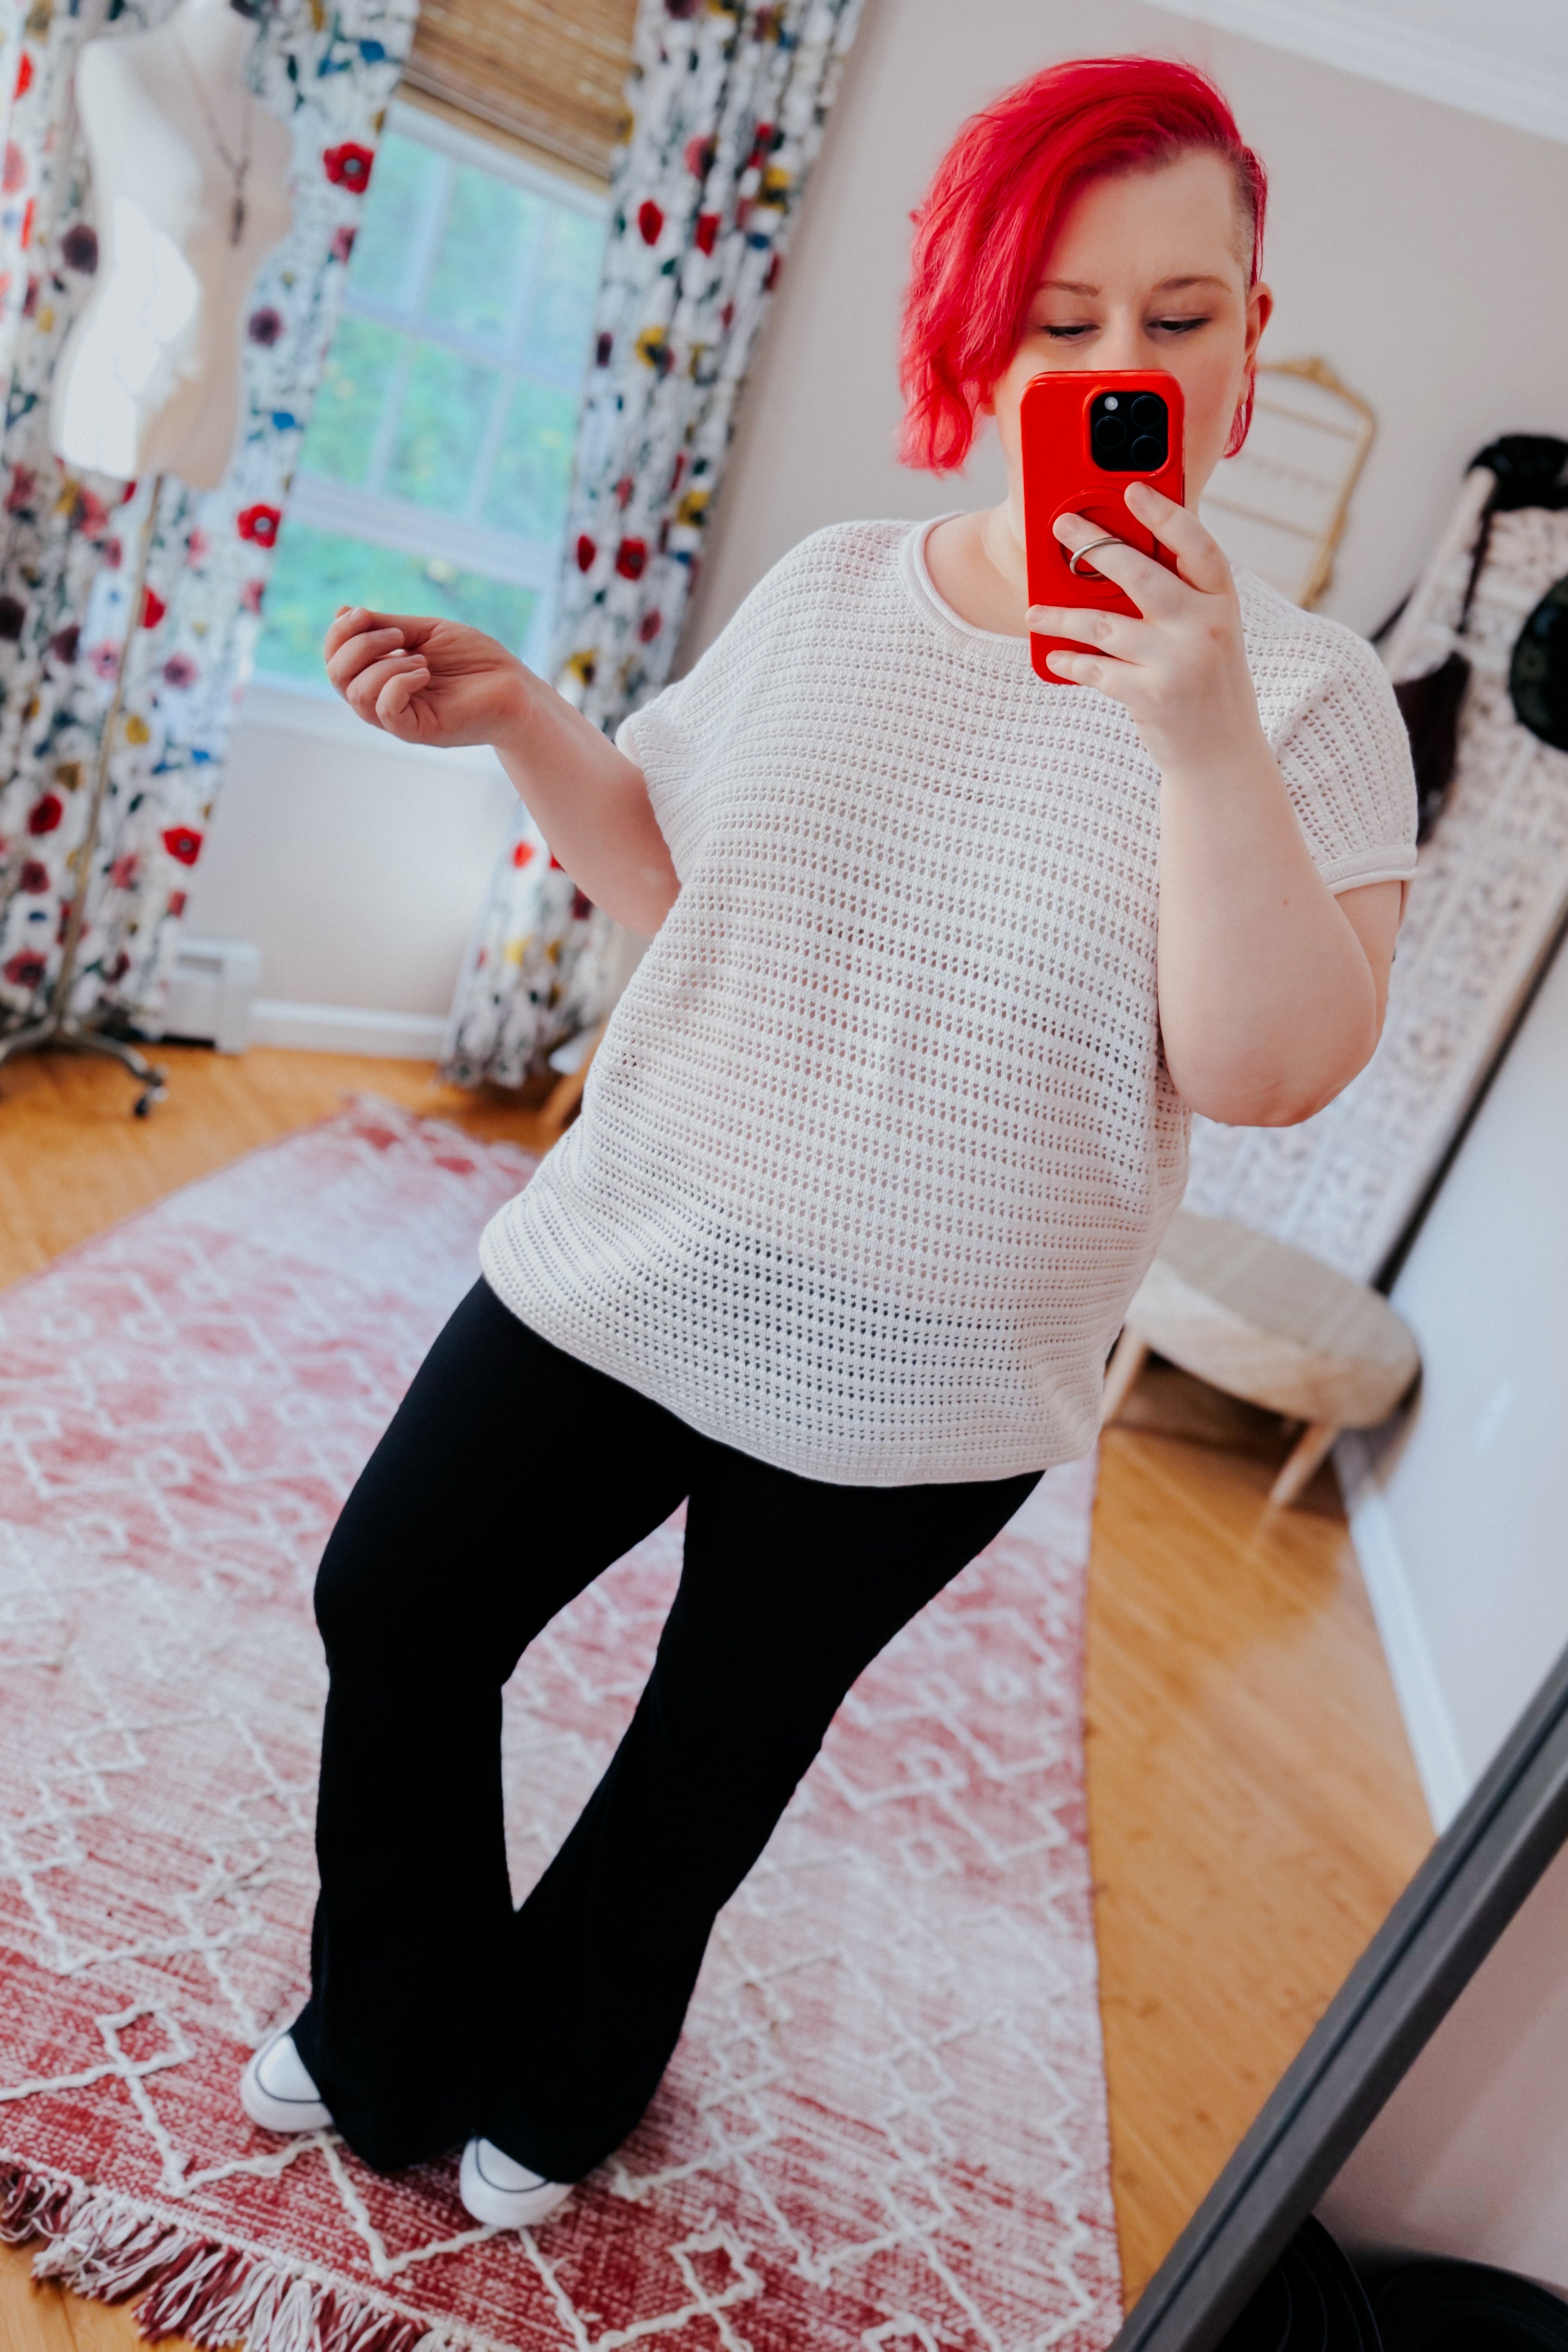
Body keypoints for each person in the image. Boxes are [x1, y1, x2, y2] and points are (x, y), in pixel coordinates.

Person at [238, 55, 1417, 2228]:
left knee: (706, 1753)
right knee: (396, 1596)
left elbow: (1260, 1068)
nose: (1124, 363)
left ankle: (571, 2064)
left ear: (1251, 338)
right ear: (977, 327)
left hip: (943, 1354)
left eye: (1183, 312)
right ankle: (384, 2012)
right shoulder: (833, 588)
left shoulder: (1313, 703)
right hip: (646, 1233)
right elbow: (679, 880)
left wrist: (1192, 730)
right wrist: (523, 725)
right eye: (1062, 317)